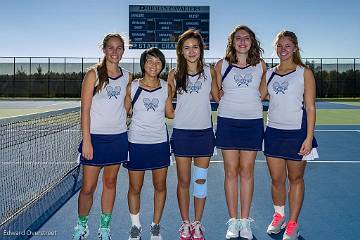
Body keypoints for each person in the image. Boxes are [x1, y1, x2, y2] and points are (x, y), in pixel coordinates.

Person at [72, 33, 131, 240]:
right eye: (111, 47)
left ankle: (104, 228)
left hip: (118, 138)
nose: (115, 52)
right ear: (104, 49)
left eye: (119, 48)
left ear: (124, 50)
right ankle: (81, 225)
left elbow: (126, 106)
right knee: (88, 188)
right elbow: (85, 110)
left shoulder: (127, 76)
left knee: (110, 183)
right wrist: (86, 141)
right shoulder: (93, 74)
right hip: (95, 140)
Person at [261, 30, 318, 240]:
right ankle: (279, 217)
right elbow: (256, 95)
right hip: (274, 133)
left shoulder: (305, 73)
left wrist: (309, 137)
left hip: (297, 133)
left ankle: (293, 224)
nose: (283, 49)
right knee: (276, 180)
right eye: (279, 45)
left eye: (287, 45)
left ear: (295, 48)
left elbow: (311, 107)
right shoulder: (269, 74)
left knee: (295, 179)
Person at [214, 25, 267, 240]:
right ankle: (232, 221)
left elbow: (262, 92)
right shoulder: (222, 64)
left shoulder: (261, 66)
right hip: (227, 122)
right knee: (230, 172)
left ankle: (245, 222)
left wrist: (249, 104)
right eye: (238, 38)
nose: (242, 41)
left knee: (247, 172)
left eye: (246, 38)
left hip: (252, 123)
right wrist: (229, 104)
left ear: (252, 42)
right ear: (232, 42)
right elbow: (216, 92)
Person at [167, 29, 220, 240]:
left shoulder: (210, 72)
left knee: (200, 180)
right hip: (182, 134)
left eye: (195, 47)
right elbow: (167, 104)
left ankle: (198, 223)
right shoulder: (173, 74)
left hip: (204, 135)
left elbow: (219, 96)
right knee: (183, 181)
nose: (191, 51)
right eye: (186, 47)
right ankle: (185, 223)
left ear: (201, 49)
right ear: (181, 50)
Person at [124, 47, 174, 240]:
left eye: (158, 62)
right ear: (143, 64)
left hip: (160, 143)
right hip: (136, 143)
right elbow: (123, 113)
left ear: (162, 65)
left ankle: (155, 227)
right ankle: (135, 227)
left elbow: (170, 113)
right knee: (135, 188)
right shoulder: (133, 86)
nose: (154, 65)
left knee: (160, 186)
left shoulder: (166, 87)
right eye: (150, 61)